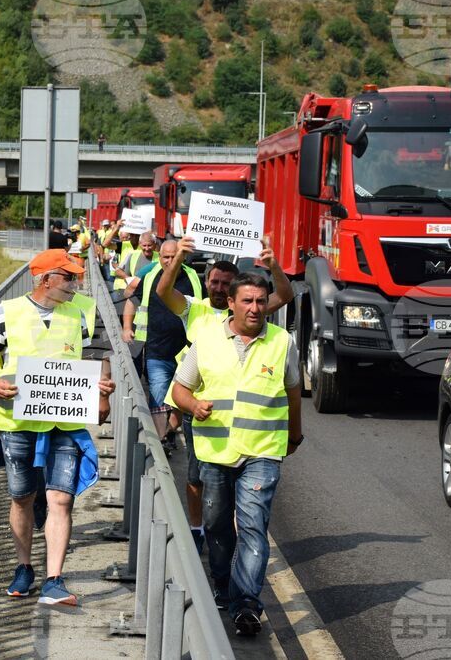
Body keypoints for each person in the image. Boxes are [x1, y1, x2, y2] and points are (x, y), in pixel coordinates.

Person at [0, 249, 116, 606]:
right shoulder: (7, 312)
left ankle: (54, 580)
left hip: (63, 421)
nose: (74, 283)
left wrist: (103, 393)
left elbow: (98, 359)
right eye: (68, 277)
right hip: (16, 420)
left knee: (61, 498)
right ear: (45, 279)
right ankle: (24, 567)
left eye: (75, 277)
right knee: (21, 497)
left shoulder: (81, 312)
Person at [171, 272, 303, 637]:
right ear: (231, 303)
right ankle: (223, 583)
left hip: (262, 452)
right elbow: (180, 389)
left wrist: (295, 433)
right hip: (215, 452)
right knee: (216, 525)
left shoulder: (281, 342)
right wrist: (194, 404)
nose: (256, 308)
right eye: (247, 301)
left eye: (261, 301)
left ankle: (246, 602)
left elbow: (293, 392)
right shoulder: (207, 338)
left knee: (252, 526)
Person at [155, 235, 294, 553]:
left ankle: (230, 533)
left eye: (225, 283)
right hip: (196, 403)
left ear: (234, 293)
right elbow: (163, 291)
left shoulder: (251, 308)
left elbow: (285, 294)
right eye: (214, 282)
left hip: (242, 412)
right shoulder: (194, 309)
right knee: (195, 474)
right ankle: (196, 527)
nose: (218, 287)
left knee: (231, 483)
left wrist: (273, 265)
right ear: (207, 282)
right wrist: (178, 258)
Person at [122, 240, 203, 451]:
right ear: (160, 258)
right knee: (158, 396)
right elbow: (132, 301)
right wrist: (126, 327)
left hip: (187, 351)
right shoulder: (150, 277)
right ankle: (160, 445)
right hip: (157, 350)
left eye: (173, 256)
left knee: (179, 397)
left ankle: (169, 433)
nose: (169, 261)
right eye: (166, 257)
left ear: (182, 256)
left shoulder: (192, 277)